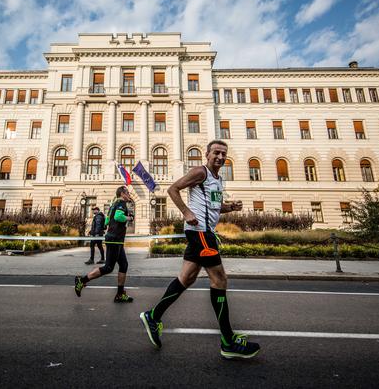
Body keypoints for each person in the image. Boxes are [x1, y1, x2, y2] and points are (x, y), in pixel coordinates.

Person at [139, 140, 260, 359]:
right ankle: (228, 340)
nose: (220, 157)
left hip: (203, 233)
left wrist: (230, 207)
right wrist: (186, 212)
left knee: (187, 278)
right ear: (207, 154)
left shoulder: (217, 179)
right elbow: (172, 189)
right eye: (216, 153)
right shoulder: (200, 172)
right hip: (200, 233)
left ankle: (153, 316)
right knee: (220, 280)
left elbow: (213, 205)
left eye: (224, 154)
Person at [75, 186, 135, 303]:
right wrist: (129, 217)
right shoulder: (121, 203)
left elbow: (107, 220)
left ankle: (120, 294)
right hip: (114, 239)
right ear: (122, 194)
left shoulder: (113, 204)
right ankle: (82, 281)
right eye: (127, 192)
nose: (129, 194)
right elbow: (118, 217)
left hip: (115, 239)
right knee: (108, 267)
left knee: (124, 265)